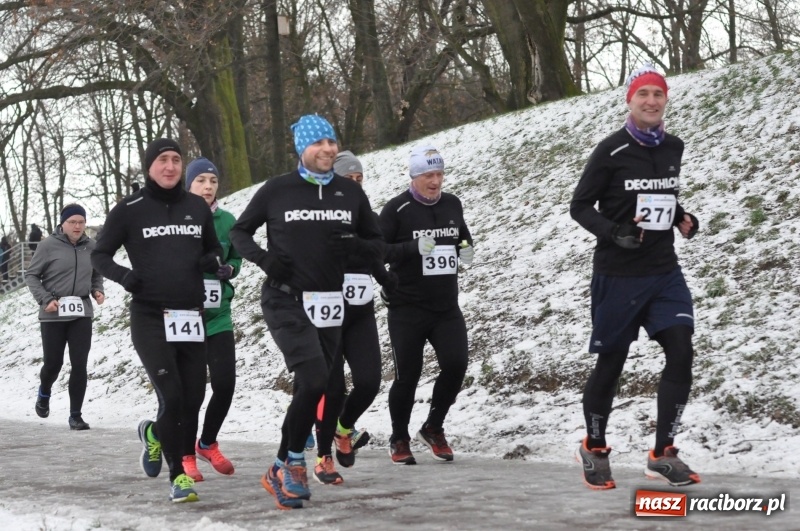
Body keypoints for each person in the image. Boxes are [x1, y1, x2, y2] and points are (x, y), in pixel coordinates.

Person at [229, 115, 383, 510]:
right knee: (314, 379)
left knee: (314, 387)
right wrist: (265, 261)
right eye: (319, 143)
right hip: (285, 299)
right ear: (302, 148)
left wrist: (356, 244)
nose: (328, 149)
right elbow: (239, 232)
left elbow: (376, 240)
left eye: (332, 141)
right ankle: (296, 462)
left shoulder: (349, 195)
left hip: (331, 302)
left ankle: (278, 466)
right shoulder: (279, 189)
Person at [569, 64, 701, 490]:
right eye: (643, 94)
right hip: (618, 274)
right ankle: (594, 445)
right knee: (613, 362)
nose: (650, 101)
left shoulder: (674, 147)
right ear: (630, 100)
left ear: (666, 100)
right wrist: (613, 231)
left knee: (681, 349)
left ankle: (662, 452)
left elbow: (662, 195)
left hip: (664, 271)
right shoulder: (610, 151)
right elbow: (581, 206)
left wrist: (681, 216)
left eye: (657, 94)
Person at [92, 138, 224, 503]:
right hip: (150, 317)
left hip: (191, 315)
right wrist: (123, 277)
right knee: (173, 395)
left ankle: (153, 434)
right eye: (162, 160)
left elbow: (213, 248)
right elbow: (100, 254)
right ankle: (178, 475)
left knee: (193, 398)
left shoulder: (197, 207)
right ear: (149, 166)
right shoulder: (130, 209)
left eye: (176, 160)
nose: (170, 167)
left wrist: (209, 261)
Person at [379, 145, 474, 465]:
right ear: (414, 176)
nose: (435, 181)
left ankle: (434, 427)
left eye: (439, 174)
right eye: (428, 175)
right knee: (408, 375)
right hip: (407, 307)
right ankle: (399, 437)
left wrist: (465, 249)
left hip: (446, 306)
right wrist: (412, 248)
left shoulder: (452, 203)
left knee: (457, 363)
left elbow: (461, 235)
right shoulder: (397, 209)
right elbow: (378, 252)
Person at [311, 150, 396, 485]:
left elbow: (376, 255)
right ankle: (322, 457)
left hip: (360, 313)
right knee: (330, 389)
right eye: (349, 179)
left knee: (369, 381)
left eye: (360, 180)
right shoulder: (317, 217)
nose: (356, 185)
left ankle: (343, 429)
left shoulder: (368, 218)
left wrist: (387, 279)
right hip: (328, 314)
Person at [181, 157, 242, 482]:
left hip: (218, 316)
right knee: (192, 391)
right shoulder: (179, 217)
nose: (207, 186)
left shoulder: (227, 220)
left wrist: (231, 269)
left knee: (225, 384)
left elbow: (236, 255)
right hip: (185, 316)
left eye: (212, 181)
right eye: (201, 180)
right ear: (189, 185)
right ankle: (185, 453)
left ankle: (207, 442)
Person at [24, 204, 105, 430]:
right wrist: (45, 299)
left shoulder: (91, 246)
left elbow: (96, 272)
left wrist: (97, 290)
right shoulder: (48, 246)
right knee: (53, 364)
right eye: (73, 222)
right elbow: (31, 276)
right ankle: (44, 392)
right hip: (54, 313)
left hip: (81, 312)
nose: (78, 226)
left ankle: (75, 415)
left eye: (81, 222)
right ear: (63, 224)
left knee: (80, 364)